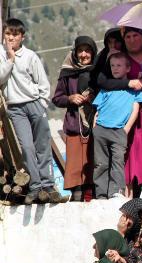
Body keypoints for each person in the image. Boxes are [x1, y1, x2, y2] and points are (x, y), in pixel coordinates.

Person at [0, 18, 62, 204]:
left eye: (15, 34)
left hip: (34, 103)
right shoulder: (1, 55)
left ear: (22, 37)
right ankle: (35, 186)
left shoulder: (30, 56)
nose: (11, 38)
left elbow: (43, 83)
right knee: (27, 147)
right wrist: (10, 59)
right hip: (15, 108)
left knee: (42, 145)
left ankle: (48, 184)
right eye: (8, 34)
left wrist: (42, 103)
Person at [96, 27, 142, 198]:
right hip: (127, 115)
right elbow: (103, 81)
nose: (131, 39)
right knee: (128, 154)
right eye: (128, 36)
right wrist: (129, 83)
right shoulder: (119, 59)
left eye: (135, 35)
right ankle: (125, 197)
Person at [92, 52, 142, 199]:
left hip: (119, 131)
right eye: (112, 65)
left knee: (117, 162)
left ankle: (116, 191)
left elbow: (135, 109)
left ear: (128, 68)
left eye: (119, 65)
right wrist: (95, 127)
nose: (115, 68)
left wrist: (126, 128)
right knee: (100, 164)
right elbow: (97, 109)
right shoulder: (106, 87)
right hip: (101, 129)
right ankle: (101, 194)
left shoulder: (133, 89)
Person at [52, 36, 97, 202]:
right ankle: (76, 198)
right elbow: (57, 98)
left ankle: (91, 198)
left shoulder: (98, 72)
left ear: (93, 53)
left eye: (87, 50)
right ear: (75, 52)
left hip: (94, 125)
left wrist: (94, 97)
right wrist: (70, 98)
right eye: (80, 50)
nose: (84, 54)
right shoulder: (67, 73)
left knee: (92, 164)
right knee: (75, 166)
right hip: (74, 125)